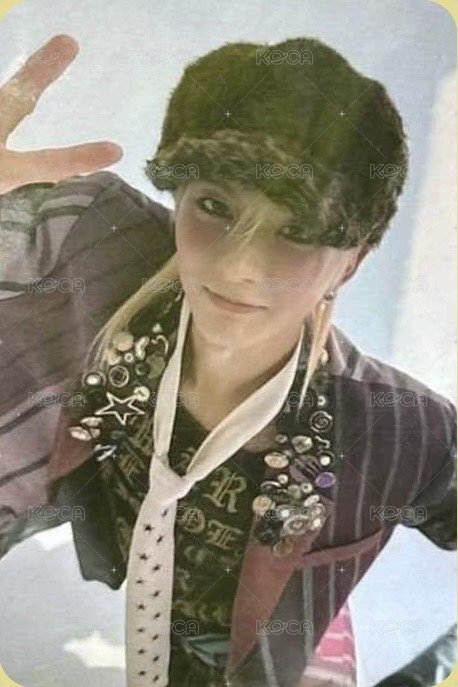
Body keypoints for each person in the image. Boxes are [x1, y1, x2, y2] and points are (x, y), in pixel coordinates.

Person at [0, 34, 455, 687]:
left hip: (269, 647)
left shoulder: (401, 429)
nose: (239, 265)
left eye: (298, 229)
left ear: (351, 262)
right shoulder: (90, 238)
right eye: (214, 206)